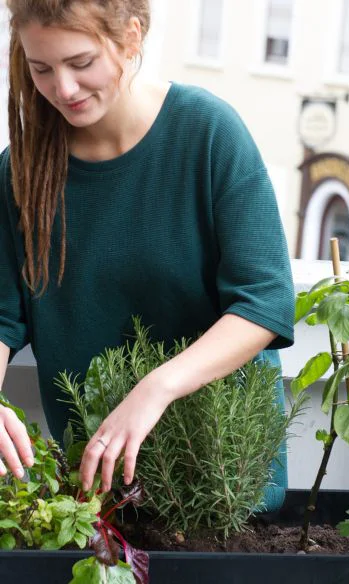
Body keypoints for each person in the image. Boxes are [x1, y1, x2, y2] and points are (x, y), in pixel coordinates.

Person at [0, 0, 294, 507]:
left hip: (222, 489)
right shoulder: (22, 171)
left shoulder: (207, 134)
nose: (62, 89)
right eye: (41, 68)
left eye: (81, 62)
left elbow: (264, 301)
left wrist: (154, 390)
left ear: (130, 38)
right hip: (96, 493)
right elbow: (4, 315)